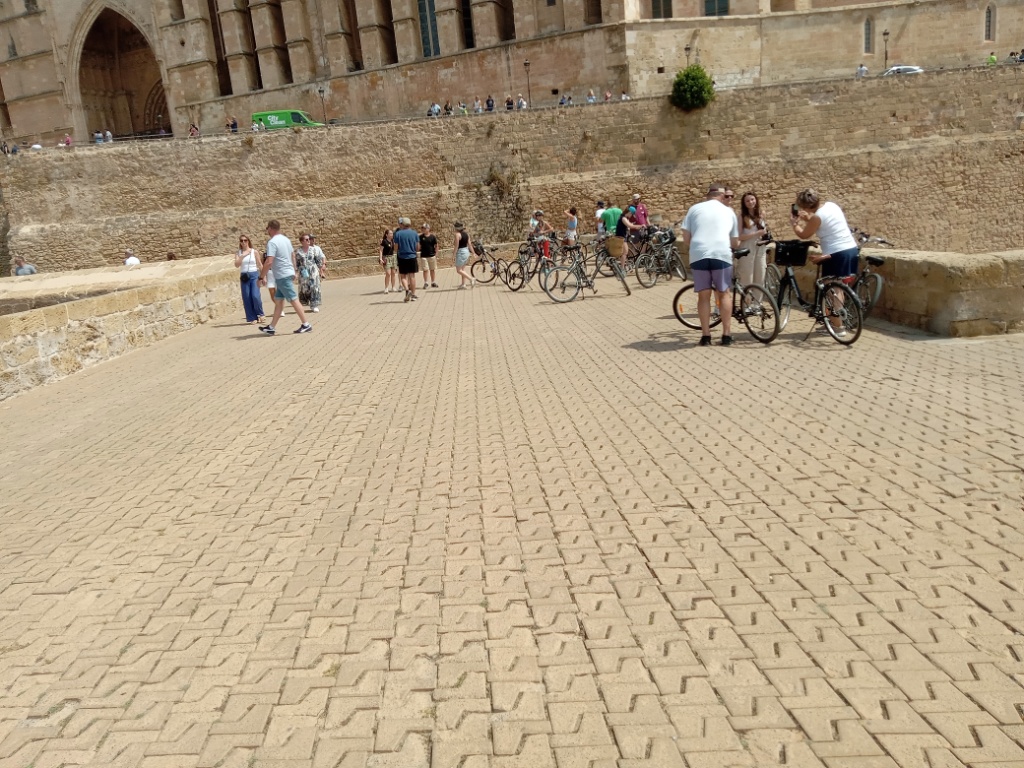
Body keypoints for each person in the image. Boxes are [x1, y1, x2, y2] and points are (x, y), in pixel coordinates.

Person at [789, 189, 860, 328]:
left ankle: (838, 328)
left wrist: (794, 224)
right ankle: (834, 321)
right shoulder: (831, 205)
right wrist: (807, 218)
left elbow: (804, 234)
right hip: (851, 249)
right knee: (840, 286)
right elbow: (824, 222)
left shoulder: (817, 217)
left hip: (836, 253)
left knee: (832, 290)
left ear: (805, 207)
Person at [681, 183, 740, 347]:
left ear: (708, 195)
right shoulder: (729, 211)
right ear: (722, 197)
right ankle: (726, 335)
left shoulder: (694, 209)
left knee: (703, 295)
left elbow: (686, 239)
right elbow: (734, 240)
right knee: (724, 293)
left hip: (699, 253)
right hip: (721, 252)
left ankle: (706, 336)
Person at [258, 219, 312, 334]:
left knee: (293, 299)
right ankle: (271, 327)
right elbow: (292, 255)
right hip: (286, 273)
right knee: (279, 301)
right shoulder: (286, 240)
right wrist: (294, 270)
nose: (267, 231)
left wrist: (261, 277)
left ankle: (306, 324)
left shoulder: (272, 242)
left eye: (267, 229)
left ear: (271, 229)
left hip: (282, 275)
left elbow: (269, 261)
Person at [737, 191, 768, 288]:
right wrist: (755, 233)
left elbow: (764, 227)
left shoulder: (761, 213)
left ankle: (758, 302)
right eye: (747, 201)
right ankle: (747, 301)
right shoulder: (741, 216)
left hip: (761, 245)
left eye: (752, 199)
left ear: (756, 200)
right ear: (744, 203)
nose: (750, 202)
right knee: (747, 275)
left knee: (761, 273)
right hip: (747, 246)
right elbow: (740, 236)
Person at [234, 234, 264, 324]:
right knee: (247, 297)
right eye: (241, 240)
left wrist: (263, 276)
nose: (243, 242)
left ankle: (260, 314)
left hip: (254, 274)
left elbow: (259, 264)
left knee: (255, 296)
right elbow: (236, 265)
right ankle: (252, 317)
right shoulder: (238, 253)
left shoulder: (254, 252)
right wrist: (242, 256)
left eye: (245, 240)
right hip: (244, 276)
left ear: (248, 241)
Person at [296, 233, 325, 313]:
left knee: (315, 287)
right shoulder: (298, 252)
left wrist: (321, 271)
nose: (309, 241)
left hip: (313, 270)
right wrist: (296, 272)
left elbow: (318, 261)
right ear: (302, 241)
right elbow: (296, 264)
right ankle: (305, 303)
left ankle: (314, 304)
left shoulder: (313, 250)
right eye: (306, 239)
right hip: (303, 272)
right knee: (305, 289)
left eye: (309, 239)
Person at [394, 217, 420, 302]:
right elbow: (417, 247)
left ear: (403, 224)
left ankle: (407, 290)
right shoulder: (414, 233)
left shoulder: (398, 234)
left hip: (402, 257)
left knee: (403, 276)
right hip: (412, 256)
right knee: (412, 276)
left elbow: (396, 247)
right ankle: (413, 294)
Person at [453, 221, 474, 289]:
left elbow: (456, 246)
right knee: (462, 269)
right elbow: (470, 244)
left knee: (459, 270)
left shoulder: (457, 235)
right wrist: (473, 253)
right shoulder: (466, 234)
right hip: (466, 251)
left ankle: (471, 279)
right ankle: (463, 284)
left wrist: (454, 254)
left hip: (461, 252)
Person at [419, 224, 439, 288]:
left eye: (424, 228)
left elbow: (436, 245)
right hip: (424, 256)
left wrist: (436, 253)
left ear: (428, 229)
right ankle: (426, 282)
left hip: (432, 255)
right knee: (425, 270)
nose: (423, 230)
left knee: (432, 269)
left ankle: (433, 282)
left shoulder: (432, 237)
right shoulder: (421, 237)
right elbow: (418, 245)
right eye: (422, 228)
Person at [379, 228, 398, 294]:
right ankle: (386, 288)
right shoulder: (384, 241)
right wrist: (380, 258)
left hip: (393, 257)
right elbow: (381, 250)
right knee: (388, 273)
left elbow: (396, 247)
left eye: (392, 233)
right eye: (390, 233)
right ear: (386, 235)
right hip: (386, 258)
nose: (392, 234)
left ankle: (393, 287)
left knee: (393, 273)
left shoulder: (393, 241)